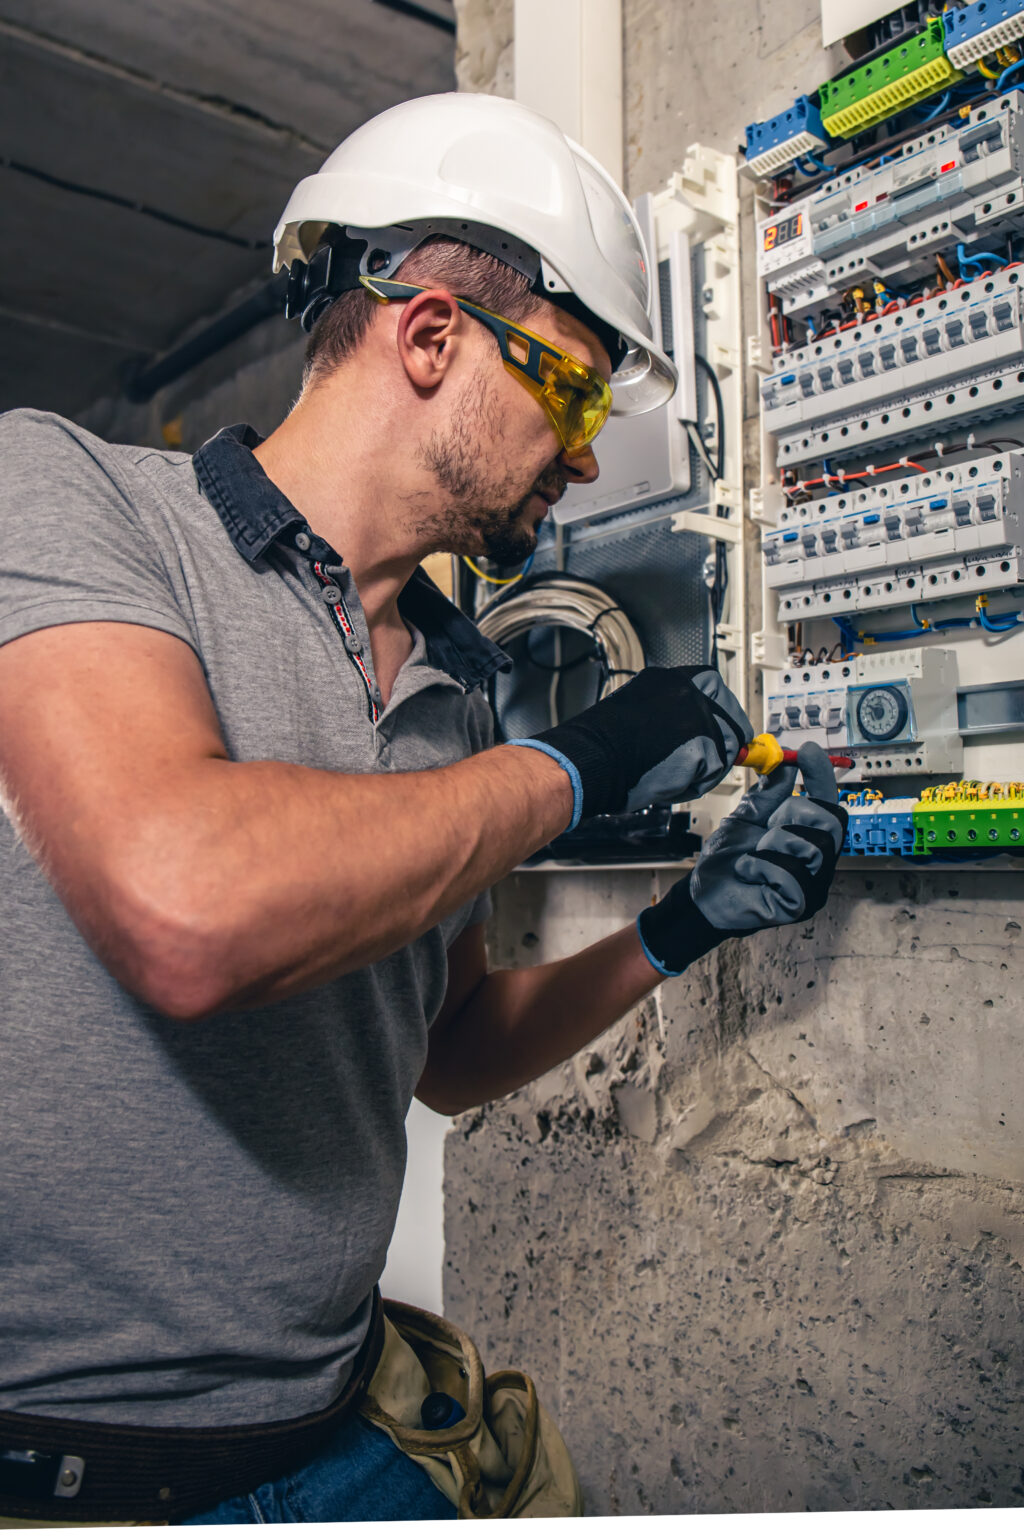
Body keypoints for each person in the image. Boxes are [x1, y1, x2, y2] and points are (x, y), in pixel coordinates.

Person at [0, 92, 846, 1524]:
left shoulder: (459, 697)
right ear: (434, 336)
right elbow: (184, 905)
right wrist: (573, 770)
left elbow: (443, 1056)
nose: (589, 458)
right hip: (69, 1474)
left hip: (339, 1438)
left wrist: (686, 924)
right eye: (576, 395)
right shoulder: (76, 499)